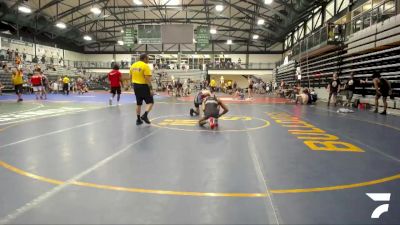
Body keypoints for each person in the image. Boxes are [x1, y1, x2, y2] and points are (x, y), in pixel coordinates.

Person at [130, 53, 154, 125]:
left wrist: (133, 85)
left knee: (138, 103)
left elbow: (130, 76)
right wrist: (151, 89)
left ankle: (138, 120)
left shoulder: (133, 65)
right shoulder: (145, 66)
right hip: (144, 86)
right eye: (148, 59)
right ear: (145, 58)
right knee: (150, 102)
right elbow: (147, 79)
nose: (148, 60)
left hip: (136, 86)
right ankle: (145, 115)